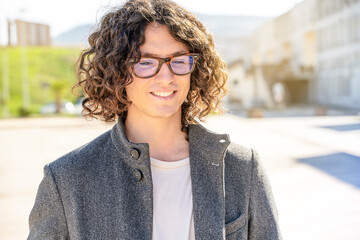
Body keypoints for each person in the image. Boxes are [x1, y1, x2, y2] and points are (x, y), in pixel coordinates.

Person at [28, 0, 281, 239]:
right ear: (117, 70)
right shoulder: (67, 179)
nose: (165, 77)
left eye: (178, 60)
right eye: (146, 62)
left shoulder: (242, 167)